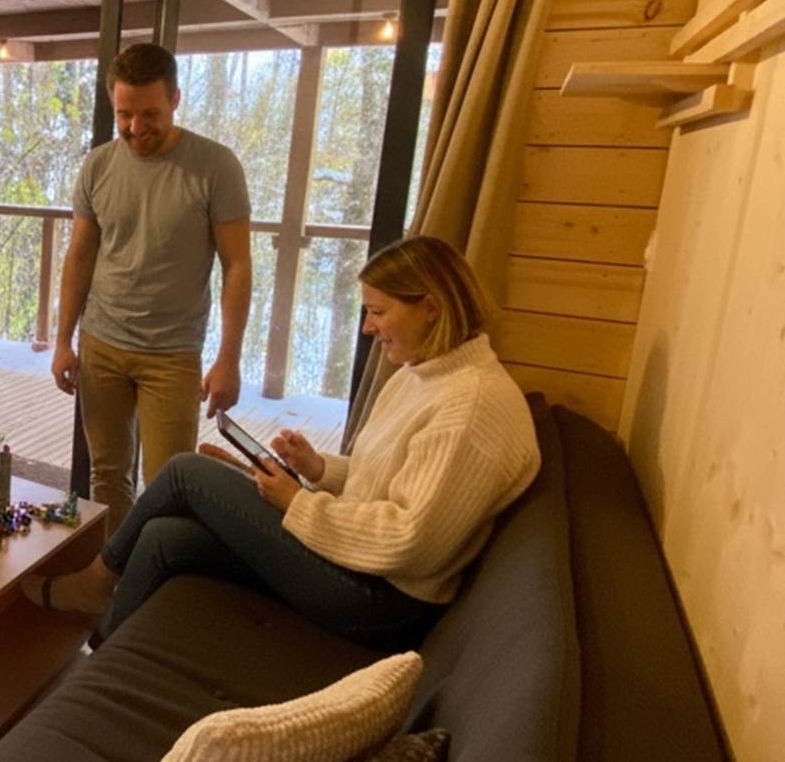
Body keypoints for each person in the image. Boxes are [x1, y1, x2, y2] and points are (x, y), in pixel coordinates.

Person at [27, 236, 542, 651]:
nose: (368, 328)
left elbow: (408, 540)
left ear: (429, 308)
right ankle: (101, 653)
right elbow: (385, 482)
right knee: (165, 536)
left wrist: (297, 502)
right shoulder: (424, 372)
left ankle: (95, 582)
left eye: (378, 312)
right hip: (359, 566)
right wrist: (318, 470)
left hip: (380, 603)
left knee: (186, 473)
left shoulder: (468, 408)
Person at [52, 42, 253, 525]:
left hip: (173, 354)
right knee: (107, 475)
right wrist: (62, 339)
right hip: (101, 344)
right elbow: (79, 257)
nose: (136, 128)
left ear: (176, 99)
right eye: (125, 114)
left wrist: (229, 358)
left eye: (150, 114)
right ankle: (111, 580)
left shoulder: (215, 166)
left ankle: (156, 585)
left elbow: (238, 265)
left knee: (168, 483)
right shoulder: (98, 165)